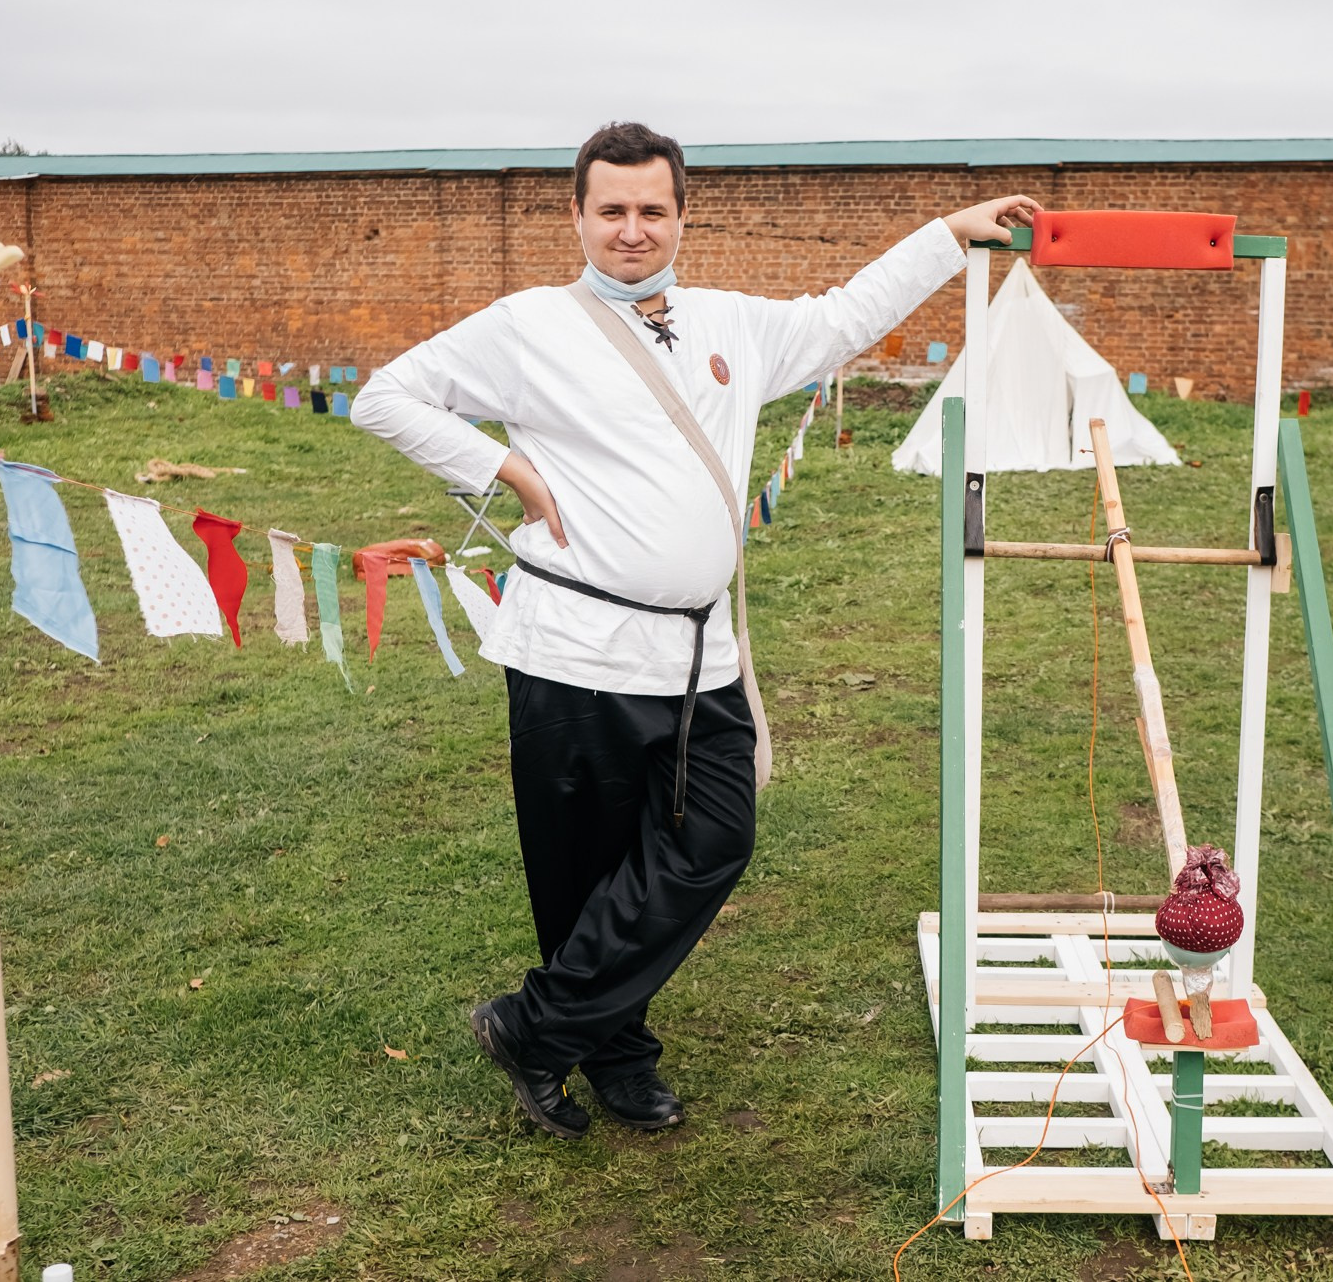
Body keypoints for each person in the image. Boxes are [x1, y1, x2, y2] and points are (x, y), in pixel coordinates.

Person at [352, 121, 1037, 1138]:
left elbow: (846, 316)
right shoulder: (526, 326)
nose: (632, 230)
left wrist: (947, 234)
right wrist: (504, 469)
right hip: (571, 655)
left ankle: (532, 1029)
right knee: (585, 875)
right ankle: (616, 1056)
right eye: (611, 210)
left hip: (697, 657)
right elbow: (385, 396)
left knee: (711, 838)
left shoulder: (733, 323)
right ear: (578, 215)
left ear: (682, 215)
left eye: (651, 210)